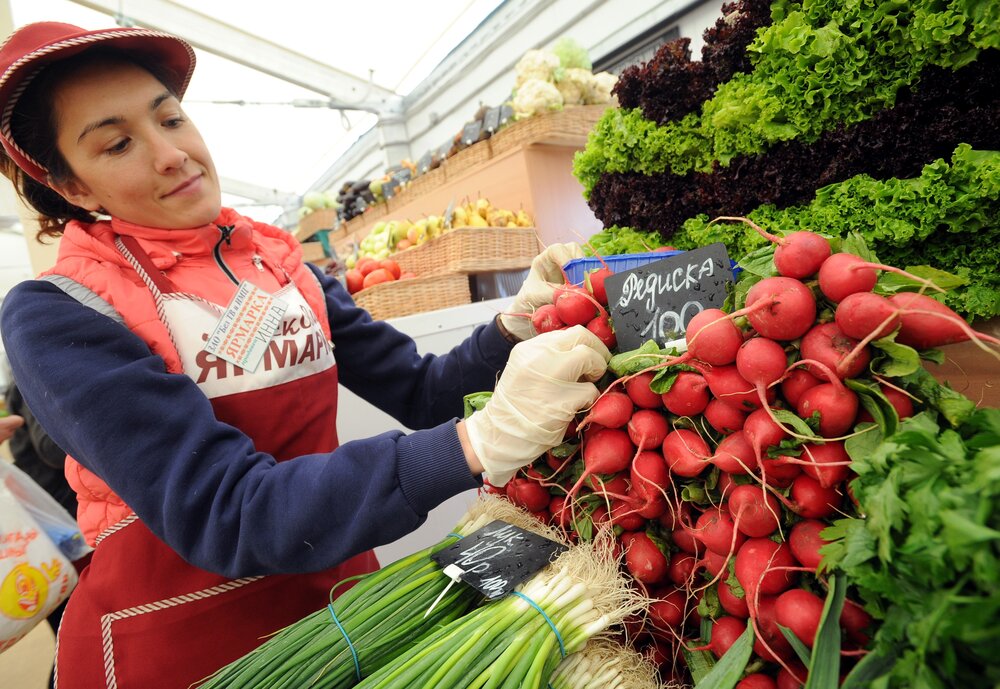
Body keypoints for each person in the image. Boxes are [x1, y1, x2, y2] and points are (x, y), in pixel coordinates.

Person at [0, 22, 610, 689]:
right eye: (117, 144)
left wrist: (514, 324)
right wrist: (478, 441)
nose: (170, 153)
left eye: (170, 118)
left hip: (348, 612)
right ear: (75, 187)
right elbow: (222, 508)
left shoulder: (279, 264)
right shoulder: (59, 313)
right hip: (184, 639)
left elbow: (423, 388)